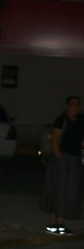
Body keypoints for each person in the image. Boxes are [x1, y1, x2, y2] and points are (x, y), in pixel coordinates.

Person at [41, 95, 84, 235]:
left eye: (77, 104)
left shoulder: (81, 120)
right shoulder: (61, 120)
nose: (75, 107)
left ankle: (61, 224)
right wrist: (59, 158)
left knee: (69, 192)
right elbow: (54, 140)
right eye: (72, 104)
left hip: (75, 159)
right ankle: (53, 224)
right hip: (61, 158)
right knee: (56, 190)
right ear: (67, 106)